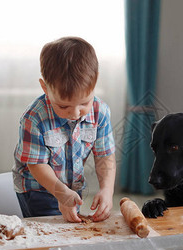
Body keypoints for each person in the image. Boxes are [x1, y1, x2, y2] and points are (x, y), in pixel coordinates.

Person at [12, 37, 116, 223]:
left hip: (72, 186)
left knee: (71, 228)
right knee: (50, 234)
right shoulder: (33, 118)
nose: (75, 113)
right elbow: (36, 165)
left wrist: (107, 189)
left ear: (95, 82)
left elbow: (104, 156)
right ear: (45, 87)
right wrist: (60, 193)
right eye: (63, 106)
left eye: (84, 103)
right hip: (37, 189)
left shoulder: (101, 112)